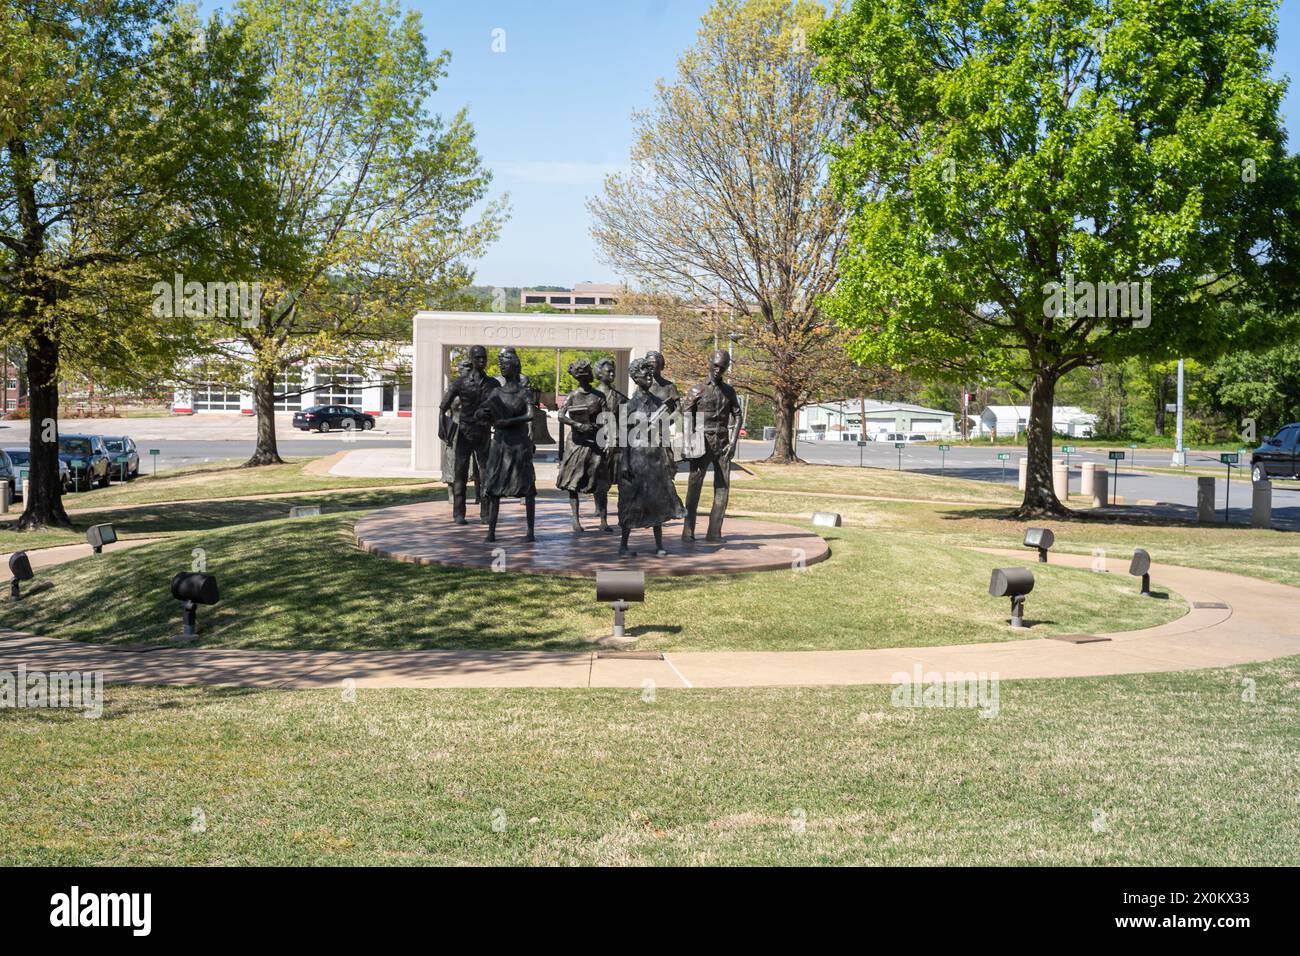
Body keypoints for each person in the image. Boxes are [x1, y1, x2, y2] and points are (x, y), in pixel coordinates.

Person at [617, 357, 683, 556]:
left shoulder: (657, 403)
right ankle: (624, 545)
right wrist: (625, 463)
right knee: (630, 501)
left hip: (655, 458)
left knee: (657, 500)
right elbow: (622, 437)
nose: (649, 376)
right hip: (636, 459)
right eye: (644, 373)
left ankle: (659, 545)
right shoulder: (629, 405)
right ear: (635, 378)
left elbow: (664, 428)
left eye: (649, 372)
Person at [680, 349, 742, 543]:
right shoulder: (697, 390)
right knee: (694, 487)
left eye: (722, 367)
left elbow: (738, 415)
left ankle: (714, 531)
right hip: (702, 441)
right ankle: (688, 530)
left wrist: (733, 442)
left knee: (723, 487)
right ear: (709, 363)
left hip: (723, 443)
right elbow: (686, 415)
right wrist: (689, 441)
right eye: (715, 365)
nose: (718, 370)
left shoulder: (729, 391)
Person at [479, 348, 537, 543]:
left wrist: (509, 422)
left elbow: (530, 415)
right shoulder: (496, 391)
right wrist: (483, 414)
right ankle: (491, 532)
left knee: (527, 488)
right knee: (494, 487)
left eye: (506, 363)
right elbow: (483, 410)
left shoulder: (524, 392)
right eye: (500, 364)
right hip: (500, 444)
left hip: (519, 445)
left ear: (515, 365)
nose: (502, 366)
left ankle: (530, 531)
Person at [439, 345, 497, 524]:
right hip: (464, 432)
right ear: (472, 359)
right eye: (478, 358)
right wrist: (443, 429)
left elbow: (499, 408)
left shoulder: (493, 384)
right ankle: (458, 513)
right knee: (460, 472)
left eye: (484, 358)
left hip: (484, 432)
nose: (482, 361)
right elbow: (443, 406)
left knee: (485, 473)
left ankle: (485, 513)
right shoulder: (460, 382)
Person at [555, 358, 610, 532]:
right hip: (577, 442)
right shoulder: (572, 396)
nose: (586, 377)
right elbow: (561, 415)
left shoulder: (598, 396)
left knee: (599, 481)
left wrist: (604, 434)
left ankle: (603, 520)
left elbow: (607, 418)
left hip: (594, 441)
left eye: (587, 374)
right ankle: (575, 520)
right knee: (574, 481)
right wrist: (577, 425)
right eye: (583, 375)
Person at [644, 350, 684, 516]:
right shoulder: (643, 387)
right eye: (649, 364)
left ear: (661, 365)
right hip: (644, 436)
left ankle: (674, 505)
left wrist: (665, 421)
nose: (652, 367)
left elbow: (679, 410)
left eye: (655, 363)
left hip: (662, 435)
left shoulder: (669, 387)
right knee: (646, 472)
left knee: (666, 470)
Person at [440, 358, 476, 490]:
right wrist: (442, 429)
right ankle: (451, 492)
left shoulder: (476, 387)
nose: (467, 370)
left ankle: (479, 494)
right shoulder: (452, 388)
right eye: (464, 368)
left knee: (475, 461)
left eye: (469, 368)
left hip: (472, 427)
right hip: (455, 429)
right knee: (451, 459)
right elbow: (443, 410)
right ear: (459, 370)